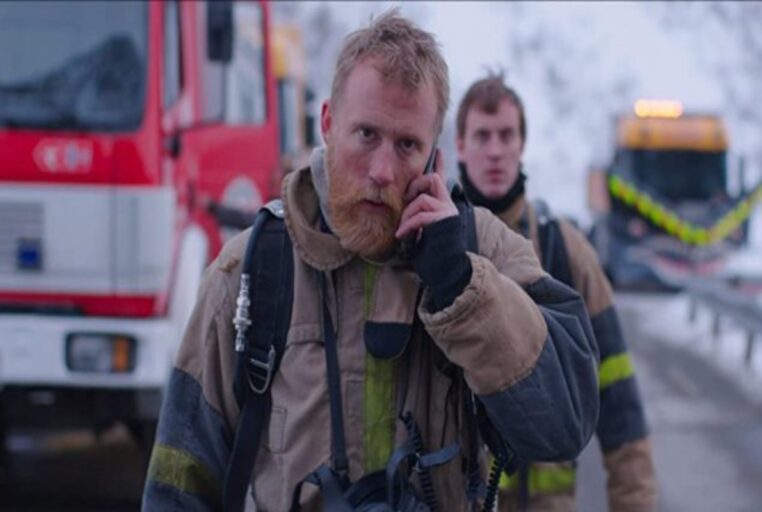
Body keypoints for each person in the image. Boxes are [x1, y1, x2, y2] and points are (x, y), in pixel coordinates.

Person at [143, 12, 599, 511]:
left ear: (433, 158)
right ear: (327, 124)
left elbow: (565, 425)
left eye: (407, 145)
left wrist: (463, 288)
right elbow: (177, 484)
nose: (382, 171)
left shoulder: (482, 250)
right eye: (365, 134)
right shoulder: (250, 272)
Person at [455, 74, 657, 512]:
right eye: (482, 136)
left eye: (506, 135)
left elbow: (618, 397)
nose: (495, 150)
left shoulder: (564, 250)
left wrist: (635, 502)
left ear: (522, 144)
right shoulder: (439, 250)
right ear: (460, 146)